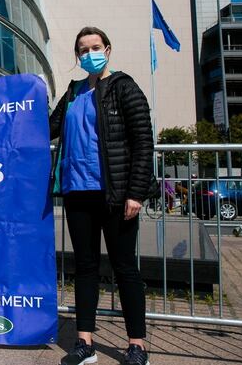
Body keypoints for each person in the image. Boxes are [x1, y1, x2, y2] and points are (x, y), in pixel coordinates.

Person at [50, 27, 153, 365]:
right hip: (78, 192)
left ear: (107, 49)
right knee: (86, 267)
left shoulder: (124, 87)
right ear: (77, 56)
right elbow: (47, 126)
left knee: (125, 268)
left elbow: (142, 142)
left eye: (95, 47)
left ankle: (136, 344)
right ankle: (84, 342)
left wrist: (136, 192)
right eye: (82, 49)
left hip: (116, 194)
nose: (89, 53)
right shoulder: (74, 91)